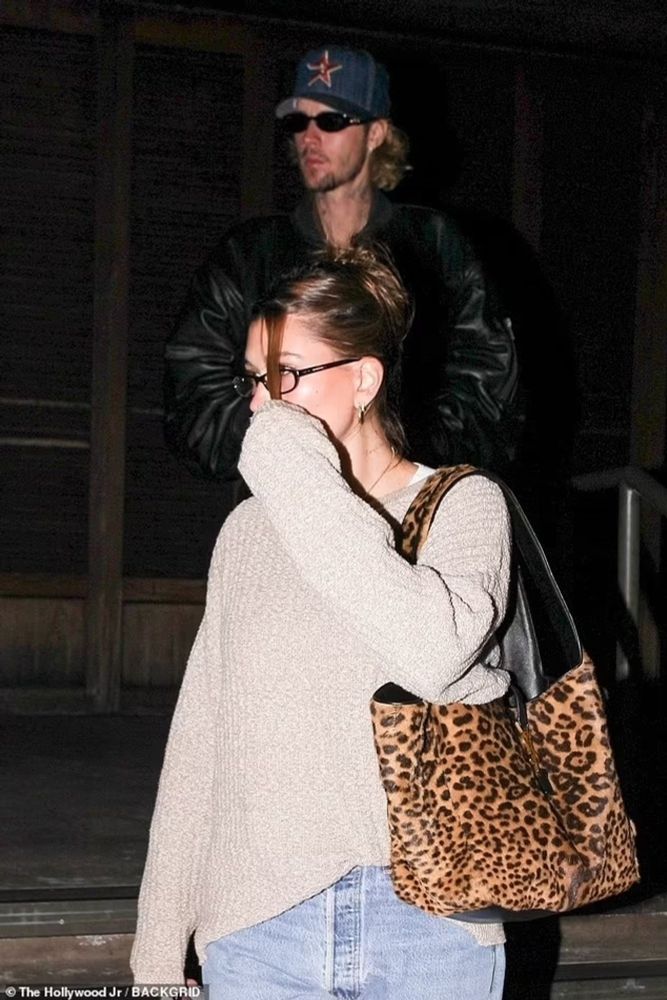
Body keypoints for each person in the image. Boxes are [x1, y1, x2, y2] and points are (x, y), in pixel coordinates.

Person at [132, 249, 510, 998]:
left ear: (364, 379)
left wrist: (289, 462)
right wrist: (155, 957)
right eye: (253, 379)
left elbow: (432, 653)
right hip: (258, 924)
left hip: (431, 925)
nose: (261, 406)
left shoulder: (464, 507)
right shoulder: (249, 533)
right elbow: (199, 747)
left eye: (287, 375)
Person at [164, 44, 519, 486]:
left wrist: (395, 461)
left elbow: (490, 390)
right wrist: (289, 443)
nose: (310, 137)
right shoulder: (248, 254)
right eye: (299, 121)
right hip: (284, 504)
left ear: (376, 134)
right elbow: (193, 399)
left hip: (408, 504)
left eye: (331, 121)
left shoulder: (435, 243)